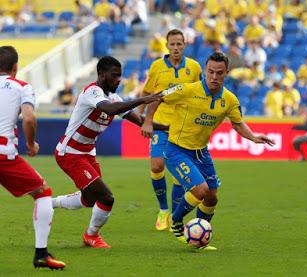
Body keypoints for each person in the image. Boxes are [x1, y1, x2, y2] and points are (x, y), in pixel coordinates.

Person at [141, 52, 275, 250]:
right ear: (205, 70)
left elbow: (238, 124)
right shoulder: (187, 89)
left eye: (219, 73)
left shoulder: (229, 100)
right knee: (200, 190)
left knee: (212, 196)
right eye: (210, 72)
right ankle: (175, 221)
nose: (214, 77)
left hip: (201, 152)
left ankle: (199, 239)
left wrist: (254, 137)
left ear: (226, 73)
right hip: (176, 149)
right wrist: (148, 120)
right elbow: (157, 97)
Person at [52, 56, 164, 248]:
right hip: (70, 153)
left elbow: (139, 120)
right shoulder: (92, 92)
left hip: (87, 153)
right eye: (114, 76)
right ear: (101, 74)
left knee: (89, 199)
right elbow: (111, 109)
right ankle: (91, 236)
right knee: (106, 197)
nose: (118, 80)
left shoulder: (114, 98)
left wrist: (170, 129)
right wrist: (145, 98)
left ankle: (49, 203)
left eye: (120, 76)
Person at [0, 46, 66, 270]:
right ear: (15, 68)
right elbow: (28, 118)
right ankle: (41, 254)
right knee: (42, 192)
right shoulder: (22, 87)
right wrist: (30, 144)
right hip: (3, 154)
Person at [140, 28, 202, 231]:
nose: (176, 48)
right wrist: (142, 118)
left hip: (183, 127)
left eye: (179, 44)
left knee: (178, 174)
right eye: (172, 44)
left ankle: (175, 217)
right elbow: (148, 92)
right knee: (157, 166)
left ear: (184, 45)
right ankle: (163, 210)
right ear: (167, 46)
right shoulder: (157, 66)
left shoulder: (193, 68)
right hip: (160, 123)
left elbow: (200, 94)